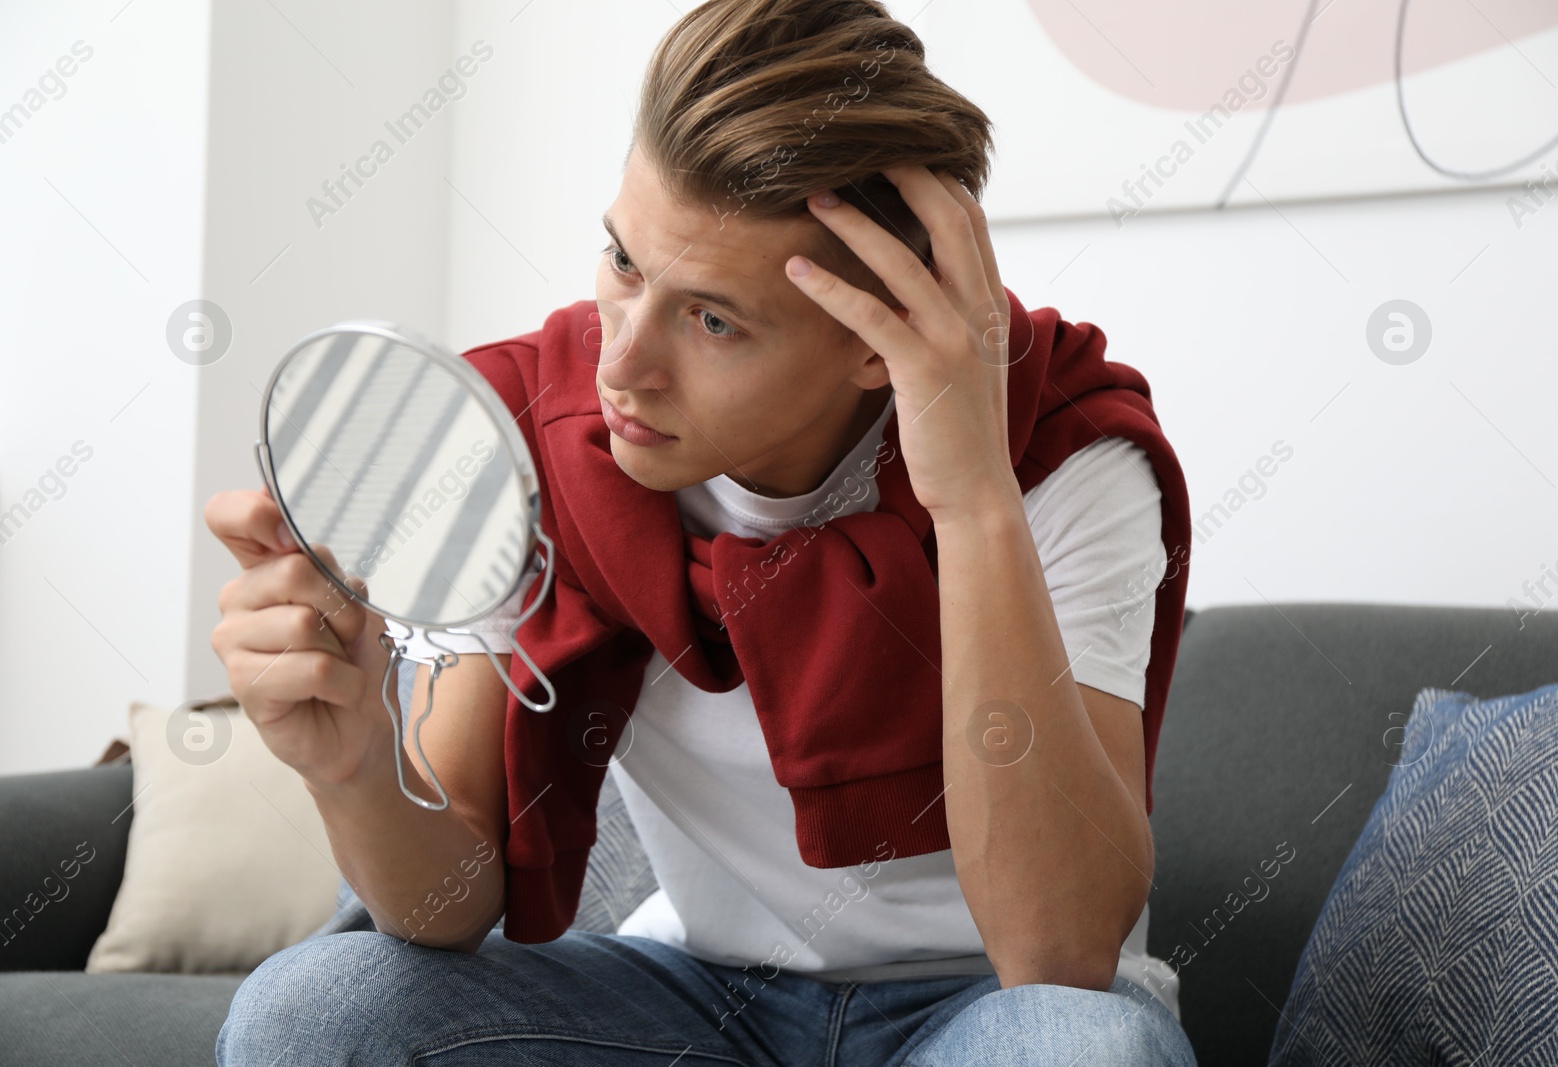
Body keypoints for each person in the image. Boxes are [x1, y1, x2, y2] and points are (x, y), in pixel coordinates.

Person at [205, 1, 1197, 1062]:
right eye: (624, 264)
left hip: (985, 1008)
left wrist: (971, 499)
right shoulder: (538, 441)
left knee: (1078, 1050)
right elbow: (449, 903)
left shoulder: (1064, 453)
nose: (621, 364)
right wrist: (350, 761)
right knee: (315, 1009)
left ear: (877, 337)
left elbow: (1059, 950)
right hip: (700, 998)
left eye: (712, 319)